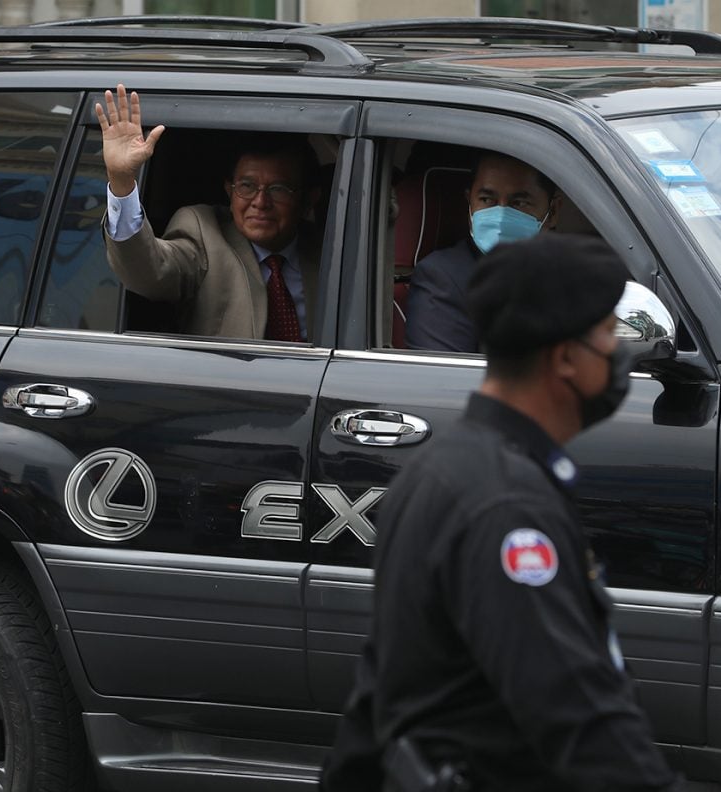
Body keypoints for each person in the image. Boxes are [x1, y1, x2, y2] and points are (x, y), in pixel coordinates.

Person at [322, 234, 683, 792]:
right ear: (565, 358)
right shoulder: (505, 506)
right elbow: (576, 717)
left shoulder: (444, 467)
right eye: (609, 336)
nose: (618, 355)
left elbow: (385, 692)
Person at [95, 83, 322, 341]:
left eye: (278, 189)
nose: (260, 201)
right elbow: (150, 272)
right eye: (247, 186)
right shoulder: (204, 230)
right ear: (229, 190)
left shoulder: (328, 249)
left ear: (308, 199)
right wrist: (122, 181)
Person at [405, 151, 561, 353]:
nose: (501, 216)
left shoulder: (567, 273)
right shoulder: (443, 279)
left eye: (519, 203)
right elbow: (443, 380)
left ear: (553, 212)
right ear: (469, 203)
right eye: (487, 200)